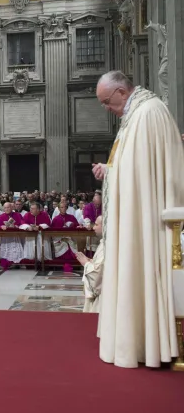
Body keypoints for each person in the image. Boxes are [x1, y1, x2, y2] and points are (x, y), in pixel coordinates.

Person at [93, 70, 184, 368]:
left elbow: (145, 176)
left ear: (121, 92)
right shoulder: (133, 116)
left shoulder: (149, 113)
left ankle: (147, 341)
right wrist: (110, 170)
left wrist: (115, 173)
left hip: (146, 221)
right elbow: (131, 166)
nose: (107, 108)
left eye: (107, 101)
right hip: (134, 214)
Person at [76, 216, 104, 313]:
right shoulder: (104, 243)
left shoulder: (107, 246)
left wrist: (86, 263)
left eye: (96, 224)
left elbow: (97, 275)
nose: (93, 228)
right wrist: (91, 261)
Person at [0, 202, 24, 270]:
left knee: (15, 250)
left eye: (8, 207)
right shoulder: (0, 217)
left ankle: (17, 264)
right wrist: (1, 226)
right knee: (6, 251)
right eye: (5, 208)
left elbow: (22, 224)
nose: (6, 209)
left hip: (15, 237)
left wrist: (16, 226)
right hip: (5, 238)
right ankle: (6, 263)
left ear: (11, 207)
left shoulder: (17, 215)